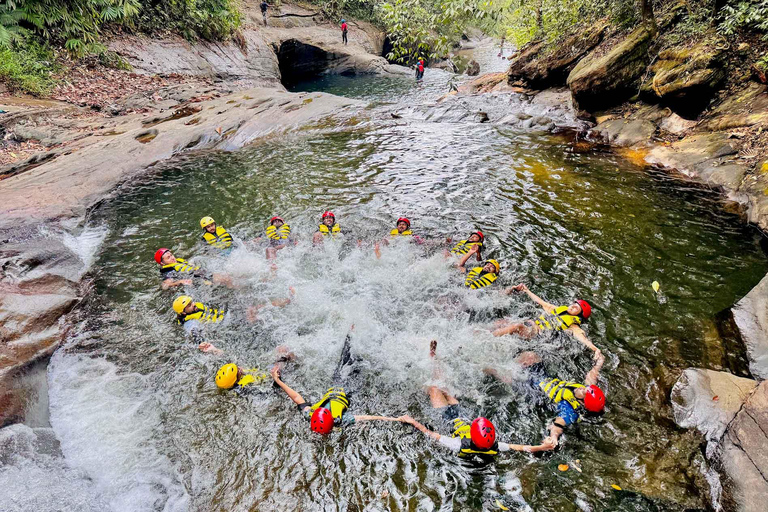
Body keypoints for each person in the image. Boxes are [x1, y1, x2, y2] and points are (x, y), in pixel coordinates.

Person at [398, 340, 513, 462]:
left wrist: (411, 421)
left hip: (446, 418)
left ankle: (431, 364)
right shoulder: (492, 446)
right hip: (462, 416)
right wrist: (536, 448)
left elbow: (429, 433)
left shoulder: (457, 445)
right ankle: (435, 359)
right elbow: (521, 447)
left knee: (434, 389)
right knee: (445, 389)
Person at [270, 330, 399, 434]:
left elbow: (297, 397)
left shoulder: (337, 419)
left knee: (351, 353)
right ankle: (362, 333)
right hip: (346, 386)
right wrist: (396, 419)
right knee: (355, 357)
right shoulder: (311, 414)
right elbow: (366, 418)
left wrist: (278, 381)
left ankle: (357, 330)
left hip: (344, 383)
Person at [502, 351, 606, 453]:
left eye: (584, 393)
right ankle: (507, 362)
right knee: (531, 356)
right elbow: (591, 377)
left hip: (534, 392)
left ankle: (490, 368)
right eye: (585, 389)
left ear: (582, 403)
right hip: (544, 379)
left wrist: (553, 438)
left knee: (506, 377)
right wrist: (599, 363)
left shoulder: (569, 410)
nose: (582, 389)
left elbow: (558, 426)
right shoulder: (586, 390)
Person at [491, 283, 601, 357]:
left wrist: (595, 349)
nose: (573, 306)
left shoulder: (573, 326)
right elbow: (540, 302)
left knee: (517, 326)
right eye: (574, 304)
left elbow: (583, 338)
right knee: (502, 322)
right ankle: (483, 330)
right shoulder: (558, 309)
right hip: (530, 324)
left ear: (579, 315)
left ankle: (489, 337)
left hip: (534, 334)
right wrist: (526, 290)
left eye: (576, 308)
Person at [153, 248, 234, 289]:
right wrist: (180, 281)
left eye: (171, 255)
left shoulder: (178, 262)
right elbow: (165, 285)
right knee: (227, 279)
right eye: (168, 258)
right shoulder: (168, 271)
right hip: (198, 278)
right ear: (162, 263)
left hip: (201, 273)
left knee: (229, 277)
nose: (172, 258)